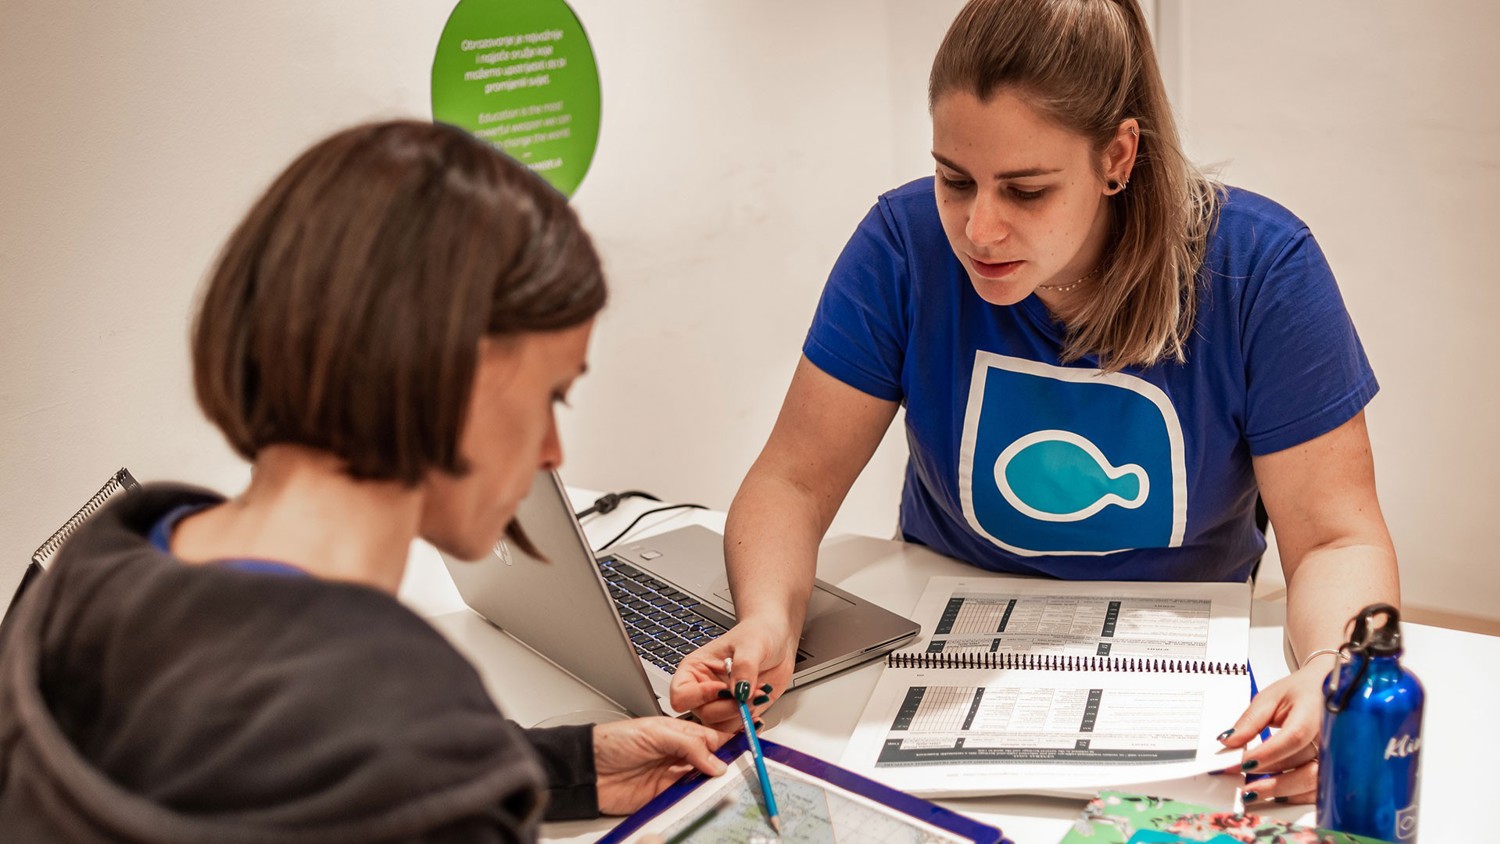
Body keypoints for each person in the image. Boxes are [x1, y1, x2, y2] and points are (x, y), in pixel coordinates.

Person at [671, 0, 1398, 806]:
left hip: (1179, 666)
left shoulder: (1260, 271)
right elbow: (793, 482)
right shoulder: (903, 245)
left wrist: (1338, 672)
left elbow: (1335, 538)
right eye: (955, 179)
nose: (979, 228)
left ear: (1117, 157)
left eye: (1026, 190)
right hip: (941, 644)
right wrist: (769, 621)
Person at [0, 120, 729, 841]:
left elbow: (276, 757)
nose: (552, 448)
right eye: (551, 397)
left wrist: (558, 767)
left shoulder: (96, 568)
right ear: (451, 375)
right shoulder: (411, 736)